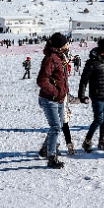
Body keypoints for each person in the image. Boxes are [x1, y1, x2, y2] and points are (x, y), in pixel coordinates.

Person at [36, 32, 69, 169]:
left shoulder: (59, 57)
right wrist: (56, 92)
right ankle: (51, 157)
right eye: (66, 43)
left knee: (58, 125)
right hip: (50, 99)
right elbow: (41, 80)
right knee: (55, 127)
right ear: (60, 46)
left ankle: (45, 149)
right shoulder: (50, 59)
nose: (67, 45)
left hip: (59, 98)